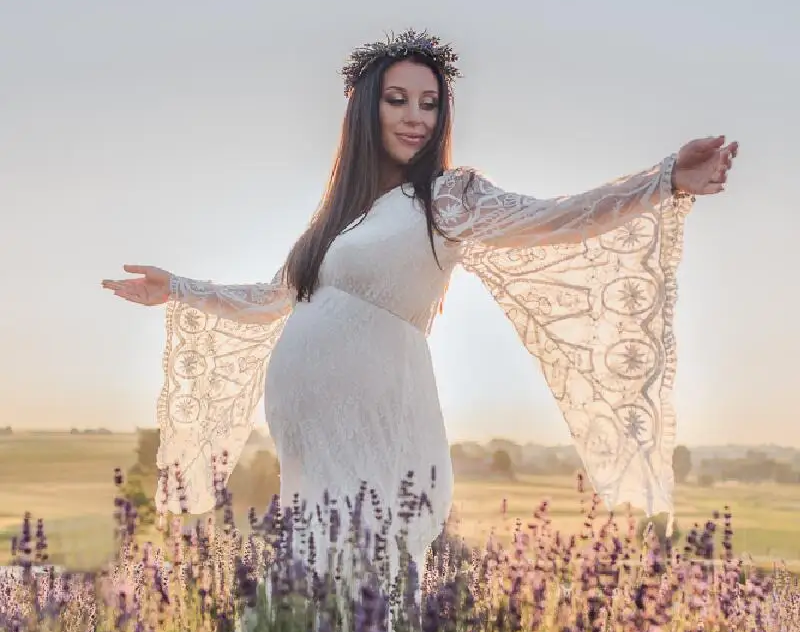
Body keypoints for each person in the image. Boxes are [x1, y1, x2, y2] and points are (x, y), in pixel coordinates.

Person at [102, 29, 738, 585]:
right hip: (310, 438)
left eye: (430, 104)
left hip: (383, 420)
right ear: (364, 110)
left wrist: (665, 180)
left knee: (369, 576)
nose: (416, 117)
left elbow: (557, 219)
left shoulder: (449, 199)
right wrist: (179, 288)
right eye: (398, 99)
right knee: (310, 582)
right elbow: (274, 299)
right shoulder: (335, 218)